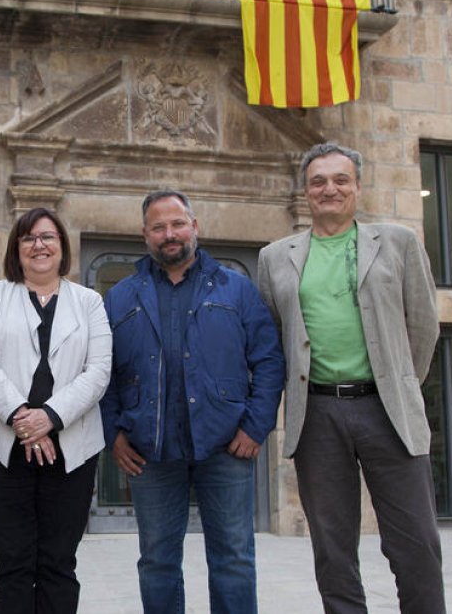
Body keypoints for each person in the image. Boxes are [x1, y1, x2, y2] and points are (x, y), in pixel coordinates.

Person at [256, 142, 445, 614]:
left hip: (387, 409)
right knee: (333, 549)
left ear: (358, 187)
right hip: (317, 414)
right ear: (306, 191)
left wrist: (399, 381)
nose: (330, 189)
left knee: (415, 543)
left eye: (341, 179)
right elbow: (270, 337)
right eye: (318, 181)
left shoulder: (398, 242)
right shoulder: (275, 257)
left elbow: (423, 325)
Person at [100, 190, 285, 614]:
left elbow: (270, 360)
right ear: (145, 235)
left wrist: (256, 427)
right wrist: (114, 434)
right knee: (157, 562)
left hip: (226, 448)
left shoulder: (237, 289)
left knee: (233, 559)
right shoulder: (120, 297)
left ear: (195, 227)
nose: (170, 234)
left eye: (178, 224)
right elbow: (101, 372)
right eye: (159, 227)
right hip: (151, 452)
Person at [0, 207, 112, 613]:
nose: (39, 245)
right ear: (17, 248)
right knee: (12, 562)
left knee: (58, 562)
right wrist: (21, 417)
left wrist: (49, 417)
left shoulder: (90, 302)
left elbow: (99, 371)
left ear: (63, 247)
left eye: (48, 237)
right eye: (28, 238)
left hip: (72, 449)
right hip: (2, 449)